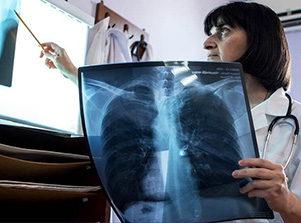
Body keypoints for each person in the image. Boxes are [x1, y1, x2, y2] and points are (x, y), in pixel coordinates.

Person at [40, 1, 301, 222]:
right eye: (209, 34)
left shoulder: (295, 120)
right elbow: (126, 110)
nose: (208, 43)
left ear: (260, 41)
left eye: (223, 32)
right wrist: (72, 72)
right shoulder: (189, 105)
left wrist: (285, 201)